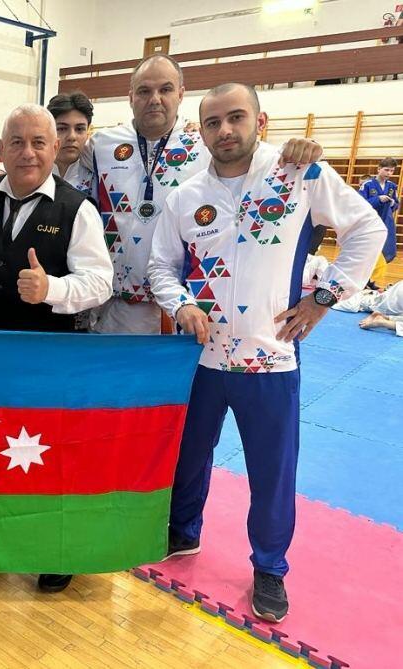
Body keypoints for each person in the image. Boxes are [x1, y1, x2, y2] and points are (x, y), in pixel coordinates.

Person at [148, 83, 384, 623]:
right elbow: (161, 266)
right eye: (213, 122)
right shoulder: (185, 197)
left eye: (236, 117)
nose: (225, 130)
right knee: (189, 454)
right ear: (201, 132)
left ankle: (270, 566)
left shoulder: (299, 175)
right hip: (202, 357)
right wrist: (181, 304)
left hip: (271, 356)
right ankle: (182, 531)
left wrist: (325, 297)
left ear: (261, 120)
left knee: (272, 470)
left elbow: (368, 229)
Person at [0, 104, 112, 592]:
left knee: (45, 455)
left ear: (55, 148)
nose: (27, 153)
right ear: (0, 149)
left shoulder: (77, 209)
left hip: (44, 358)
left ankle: (55, 548)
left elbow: (100, 282)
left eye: (38, 142)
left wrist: (53, 290)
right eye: (17, 142)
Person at [84, 54, 324, 335]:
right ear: (130, 97)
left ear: (181, 94)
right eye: (144, 91)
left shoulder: (206, 141)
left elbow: (259, 156)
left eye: (165, 89)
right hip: (115, 305)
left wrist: (299, 148)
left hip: (189, 308)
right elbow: (62, 162)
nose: (155, 99)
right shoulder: (101, 145)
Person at [47, 91, 95, 196]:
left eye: (79, 129)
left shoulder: (97, 173)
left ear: (88, 132)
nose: (72, 137)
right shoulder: (34, 171)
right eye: (62, 129)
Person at [360, 158, 399, 263]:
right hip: (370, 222)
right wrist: (378, 199)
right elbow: (360, 204)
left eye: (392, 171)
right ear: (379, 169)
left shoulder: (392, 186)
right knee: (368, 252)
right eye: (386, 170)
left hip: (386, 221)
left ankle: (377, 271)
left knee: (385, 250)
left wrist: (392, 203)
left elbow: (396, 204)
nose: (389, 173)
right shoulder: (367, 185)